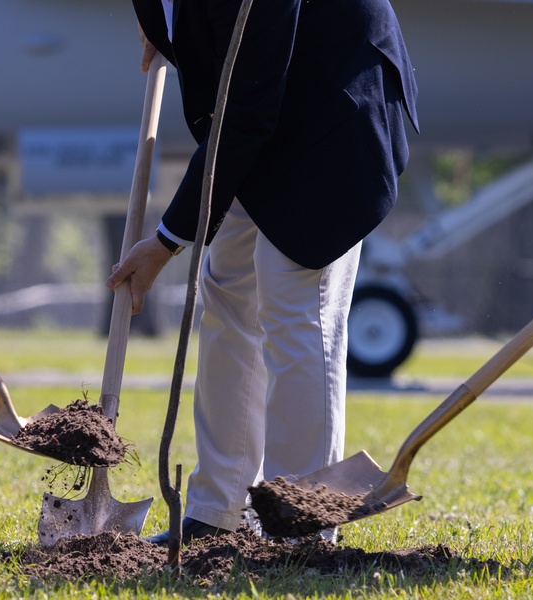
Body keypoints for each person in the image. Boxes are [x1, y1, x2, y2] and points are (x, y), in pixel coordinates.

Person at [108, 0, 418, 545]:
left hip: (332, 108)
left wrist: (167, 240)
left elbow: (247, 109)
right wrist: (170, 31)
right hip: (260, 120)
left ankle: (302, 525)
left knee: (297, 302)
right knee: (227, 291)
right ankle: (216, 513)